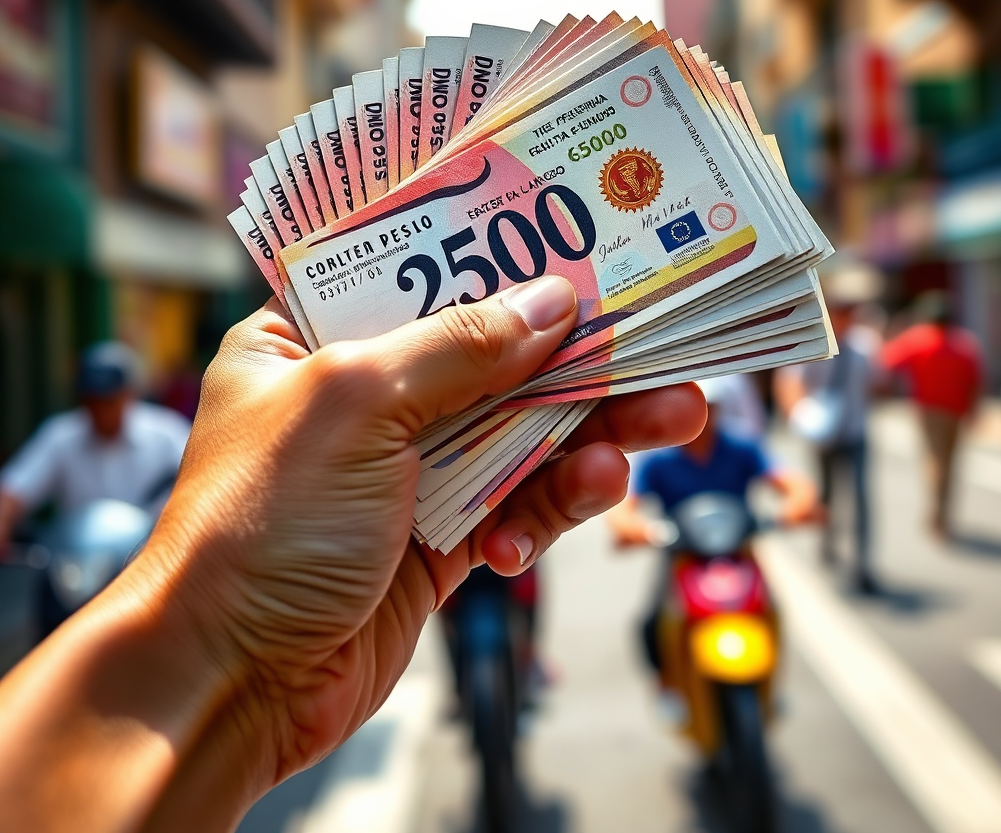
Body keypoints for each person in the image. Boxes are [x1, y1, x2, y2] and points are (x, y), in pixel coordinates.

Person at [0, 277, 708, 832]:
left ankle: (533, 658)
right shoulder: (62, 440)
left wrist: (241, 666)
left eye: (113, 395)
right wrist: (230, 647)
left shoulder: (159, 432)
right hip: (123, 574)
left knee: (528, 555)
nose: (105, 409)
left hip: (442, 542)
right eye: (95, 398)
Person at [609, 380, 817, 673]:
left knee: (770, 611)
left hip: (738, 550)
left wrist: (795, 505)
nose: (701, 417)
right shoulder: (658, 456)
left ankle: (769, 683)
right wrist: (636, 529)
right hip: (681, 555)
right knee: (653, 624)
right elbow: (624, 506)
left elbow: (789, 480)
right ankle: (668, 687)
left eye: (708, 407)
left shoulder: (741, 445)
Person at [0, 341, 192, 553]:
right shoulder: (61, 436)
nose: (100, 410)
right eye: (93, 400)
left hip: (155, 556)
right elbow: (15, 488)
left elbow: (204, 476)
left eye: (109, 400)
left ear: (129, 394)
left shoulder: (167, 433)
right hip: (77, 569)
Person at [775, 270, 881, 593]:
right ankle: (828, 545)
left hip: (855, 432)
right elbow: (790, 383)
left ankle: (863, 565)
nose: (848, 316)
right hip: (821, 435)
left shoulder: (865, 345)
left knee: (862, 498)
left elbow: (878, 382)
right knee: (827, 494)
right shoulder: (813, 341)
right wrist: (802, 420)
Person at [881, 290, 982, 540]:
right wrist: (974, 412)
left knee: (935, 463)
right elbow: (976, 382)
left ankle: (937, 518)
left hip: (929, 412)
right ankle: (943, 516)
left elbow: (886, 361)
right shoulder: (964, 344)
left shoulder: (918, 339)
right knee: (948, 463)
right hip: (955, 412)